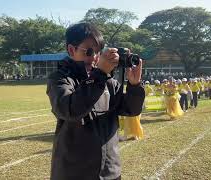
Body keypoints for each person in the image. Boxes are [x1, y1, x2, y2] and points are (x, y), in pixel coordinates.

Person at [46, 22, 145, 180]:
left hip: (110, 171)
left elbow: (131, 110)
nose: (95, 58)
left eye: (99, 52)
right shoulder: (60, 79)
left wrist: (134, 85)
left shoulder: (108, 81)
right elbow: (70, 110)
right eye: (90, 51)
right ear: (72, 50)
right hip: (74, 173)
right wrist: (100, 75)